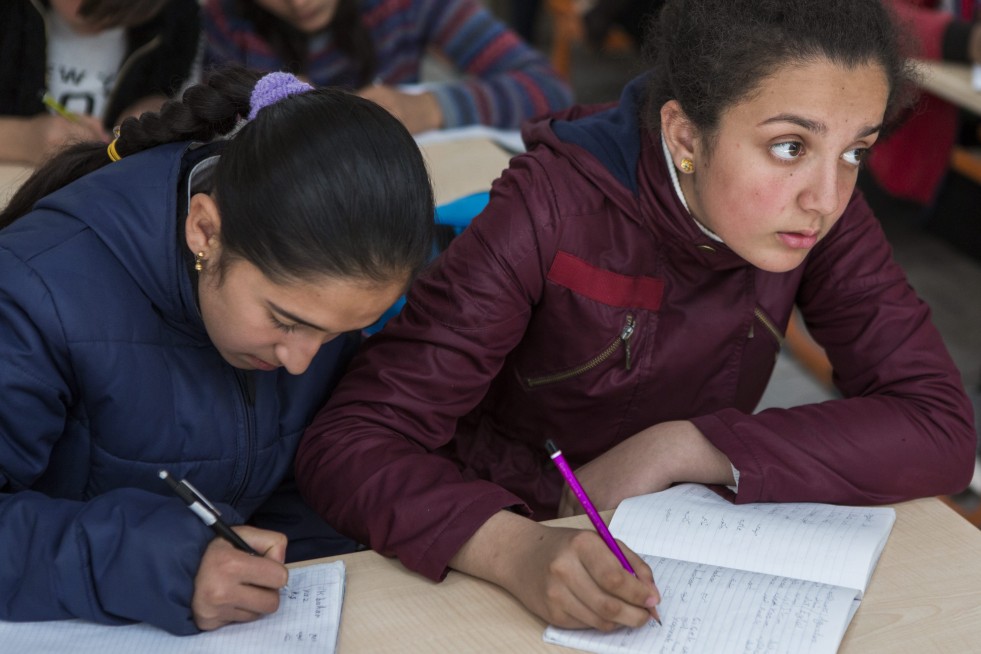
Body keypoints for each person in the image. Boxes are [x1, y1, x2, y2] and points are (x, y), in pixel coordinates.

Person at [294, 0, 977, 633]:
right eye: (790, 146)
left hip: (667, 557)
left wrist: (686, 445)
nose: (825, 197)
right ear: (683, 133)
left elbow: (940, 426)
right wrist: (511, 549)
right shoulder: (548, 209)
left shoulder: (817, 219)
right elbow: (352, 441)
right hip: (499, 551)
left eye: (855, 151)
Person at [0, 67, 435, 634]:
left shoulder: (315, 287)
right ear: (204, 231)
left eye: (335, 335)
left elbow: (291, 477)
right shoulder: (33, 291)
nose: (301, 360)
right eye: (284, 321)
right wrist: (165, 566)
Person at [201, 0, 573, 134]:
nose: (300, 4)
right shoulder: (222, 21)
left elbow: (548, 89)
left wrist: (429, 108)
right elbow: (204, 125)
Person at [0, 0, 201, 166]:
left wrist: (151, 107)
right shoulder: (11, 17)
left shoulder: (175, 22)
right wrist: (23, 139)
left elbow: (172, 93)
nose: (105, 19)